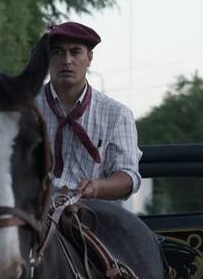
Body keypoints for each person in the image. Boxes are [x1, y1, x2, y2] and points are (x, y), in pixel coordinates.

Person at [34, 21, 141, 201]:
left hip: (90, 210)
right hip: (33, 209)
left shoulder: (117, 114)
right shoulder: (26, 108)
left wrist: (98, 187)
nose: (67, 60)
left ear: (89, 58)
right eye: (57, 52)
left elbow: (128, 175)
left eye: (75, 52)